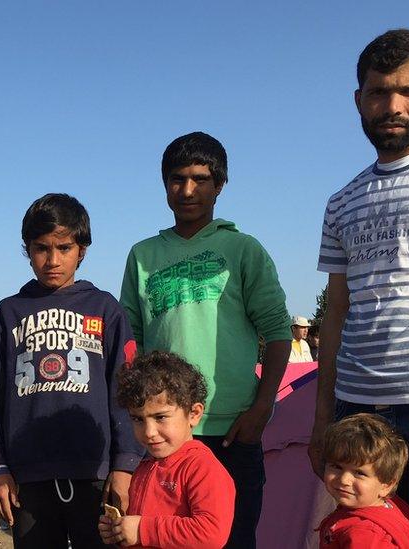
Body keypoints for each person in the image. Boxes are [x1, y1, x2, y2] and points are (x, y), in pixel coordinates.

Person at [310, 29, 409, 547]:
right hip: (359, 408)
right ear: (359, 99)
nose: (392, 105)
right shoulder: (342, 200)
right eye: (377, 92)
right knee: (369, 538)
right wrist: (323, 414)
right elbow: (335, 312)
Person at [120, 132, 292, 548]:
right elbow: (131, 341)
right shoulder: (143, 255)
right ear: (164, 186)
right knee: (162, 537)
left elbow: (277, 331)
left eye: (201, 179)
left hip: (233, 428)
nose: (188, 190)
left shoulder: (243, 249)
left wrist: (262, 406)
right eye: (177, 179)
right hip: (164, 430)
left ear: (220, 185)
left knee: (230, 539)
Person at [0, 193, 141, 549]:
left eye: (64, 248)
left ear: (82, 249)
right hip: (27, 478)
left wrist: (125, 465)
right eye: (41, 248)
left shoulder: (104, 308)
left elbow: (125, 391)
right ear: (27, 249)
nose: (52, 260)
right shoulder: (9, 313)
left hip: (95, 474)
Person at [99, 350, 234, 549]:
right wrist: (120, 530)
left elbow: (211, 533)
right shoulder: (144, 468)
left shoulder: (202, 468)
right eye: (138, 419)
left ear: (194, 414)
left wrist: (141, 529)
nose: (149, 432)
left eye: (160, 417)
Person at [318, 414, 409, 548]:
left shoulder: (364, 534)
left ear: (387, 485)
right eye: (336, 467)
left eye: (359, 473)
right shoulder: (388, 506)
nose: (344, 479)